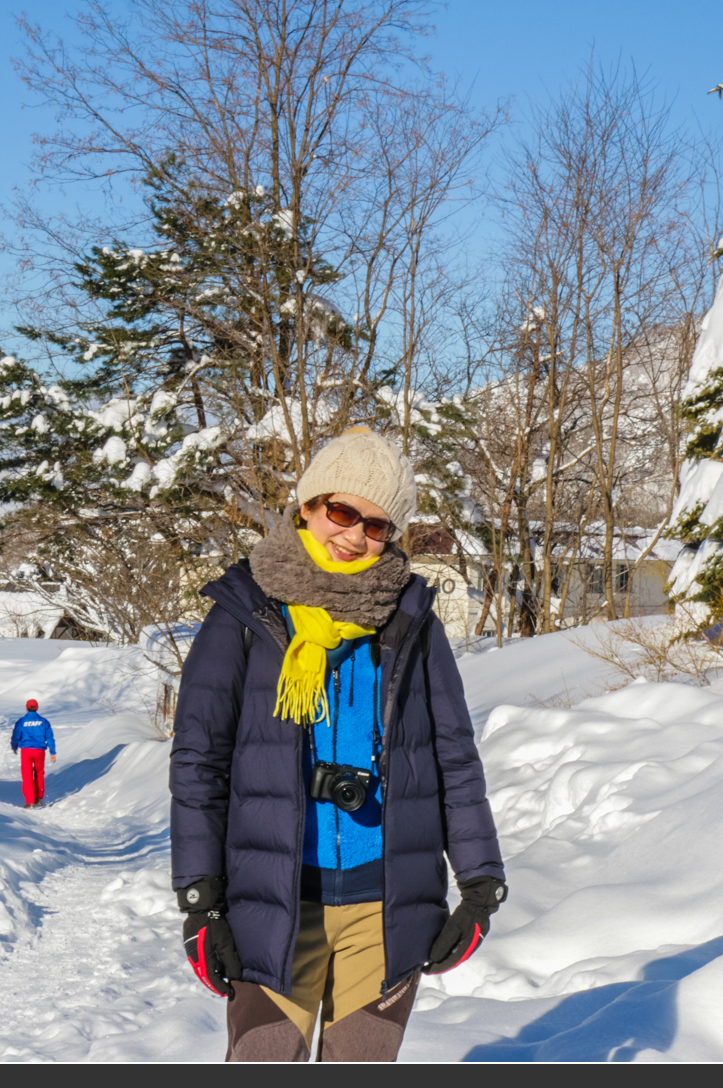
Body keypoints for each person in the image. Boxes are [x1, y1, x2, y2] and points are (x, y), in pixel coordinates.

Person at [169, 425, 506, 1062]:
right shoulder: (245, 613)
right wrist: (201, 899)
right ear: (308, 506)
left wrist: (482, 885)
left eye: (376, 525)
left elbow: (453, 755)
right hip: (273, 902)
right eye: (342, 511)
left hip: (385, 906)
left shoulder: (410, 621)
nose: (354, 536)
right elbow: (198, 762)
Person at [10, 699, 57, 808]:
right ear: (37, 708)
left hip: (26, 751)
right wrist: (52, 752)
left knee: (27, 775)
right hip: (39, 751)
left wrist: (14, 746)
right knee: (39, 773)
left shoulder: (21, 721)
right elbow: (50, 737)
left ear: (27, 708)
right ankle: (39, 798)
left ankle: (30, 801)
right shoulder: (43, 721)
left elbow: (16, 735)